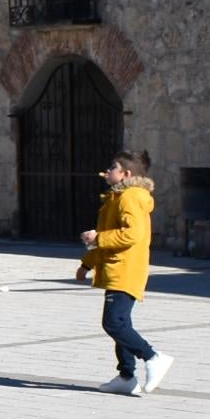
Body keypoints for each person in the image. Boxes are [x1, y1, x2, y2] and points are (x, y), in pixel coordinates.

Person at [76, 149, 170, 397]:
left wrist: (98, 238)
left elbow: (132, 234)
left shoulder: (130, 198)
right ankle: (127, 376)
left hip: (126, 270)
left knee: (113, 322)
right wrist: (87, 264)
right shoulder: (116, 198)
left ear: (126, 174)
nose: (106, 171)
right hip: (116, 268)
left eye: (112, 168)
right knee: (122, 323)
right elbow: (107, 238)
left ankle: (152, 356)